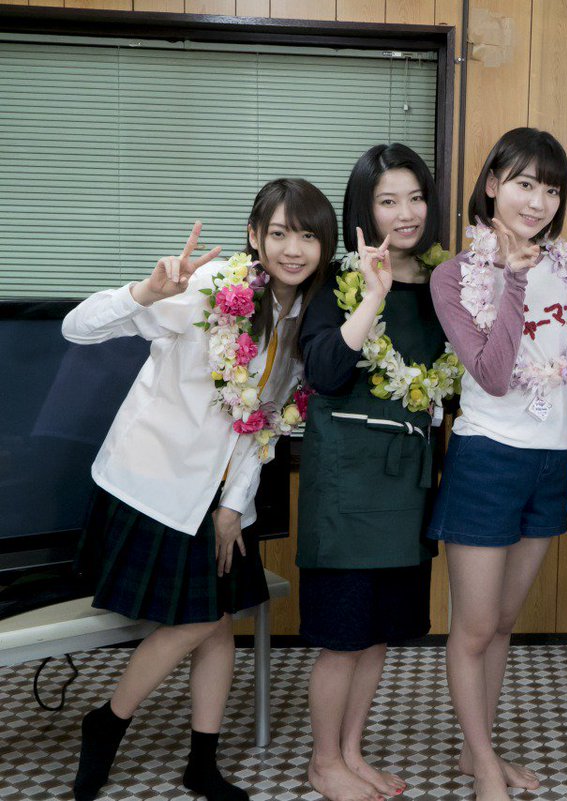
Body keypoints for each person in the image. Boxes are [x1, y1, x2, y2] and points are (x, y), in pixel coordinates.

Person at [65, 179, 337, 801]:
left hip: (218, 496)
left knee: (216, 626)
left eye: (308, 235)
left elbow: (263, 424)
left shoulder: (307, 318)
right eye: (278, 233)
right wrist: (145, 292)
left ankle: (201, 764)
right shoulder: (213, 289)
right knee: (201, 620)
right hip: (153, 485)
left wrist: (233, 504)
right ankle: (107, 723)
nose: (293, 249)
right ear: (254, 236)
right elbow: (77, 329)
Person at [426, 127, 567, 801]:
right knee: (472, 627)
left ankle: (479, 752)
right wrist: (515, 278)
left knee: (502, 624)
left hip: (547, 464)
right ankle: (483, 765)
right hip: (487, 460)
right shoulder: (454, 277)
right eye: (525, 184)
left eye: (551, 189)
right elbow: (494, 374)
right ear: (493, 183)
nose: (538, 202)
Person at [297, 143, 460, 801]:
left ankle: (351, 752)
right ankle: (322, 761)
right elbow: (325, 372)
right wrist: (371, 298)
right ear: (364, 209)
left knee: (377, 638)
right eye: (388, 201)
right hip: (346, 485)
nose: (406, 213)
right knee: (342, 638)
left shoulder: (447, 284)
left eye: (415, 197)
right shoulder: (337, 279)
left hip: (406, 485)